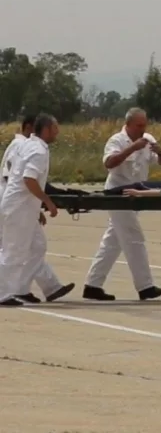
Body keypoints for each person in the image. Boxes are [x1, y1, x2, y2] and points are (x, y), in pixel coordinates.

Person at [81, 107, 161, 301]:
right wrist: (132, 148)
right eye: (139, 125)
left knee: (112, 242)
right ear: (128, 124)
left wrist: (160, 151)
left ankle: (92, 285)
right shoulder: (116, 140)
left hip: (136, 193)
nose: (142, 129)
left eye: (145, 125)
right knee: (134, 237)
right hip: (117, 194)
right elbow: (109, 163)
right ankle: (145, 286)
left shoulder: (148, 139)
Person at [0, 114, 73, 303]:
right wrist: (47, 202)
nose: (58, 133)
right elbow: (29, 179)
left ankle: (21, 289)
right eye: (56, 129)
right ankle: (3, 294)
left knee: (38, 246)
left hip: (24, 208)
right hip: (19, 209)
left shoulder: (29, 145)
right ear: (47, 129)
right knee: (13, 252)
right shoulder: (37, 151)